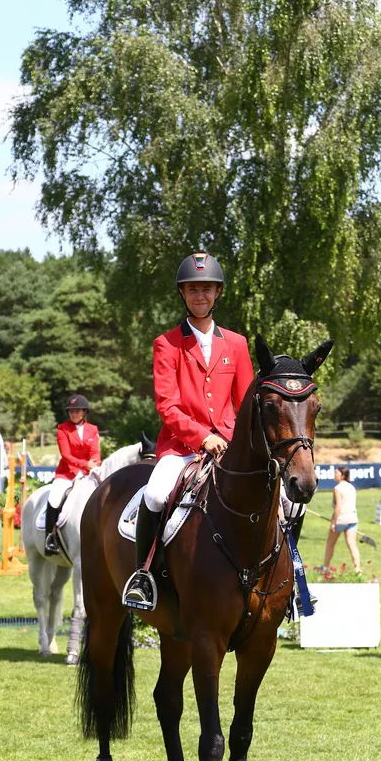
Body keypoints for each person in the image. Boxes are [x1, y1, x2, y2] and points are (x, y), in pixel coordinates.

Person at [122, 251, 253, 611]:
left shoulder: (238, 344)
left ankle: (285, 579)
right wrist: (202, 437)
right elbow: (168, 406)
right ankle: (144, 576)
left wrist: (228, 438)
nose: (200, 295)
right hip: (182, 448)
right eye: (193, 289)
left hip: (228, 447)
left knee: (283, 498)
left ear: (218, 293)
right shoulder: (167, 344)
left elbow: (245, 404)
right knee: (155, 495)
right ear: (183, 293)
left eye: (207, 289)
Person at [44, 394, 100, 555]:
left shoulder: (93, 429)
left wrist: (93, 464)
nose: (73, 414)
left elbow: (95, 452)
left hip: (88, 473)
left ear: (84, 412)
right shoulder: (62, 429)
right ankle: (50, 538)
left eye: (77, 411)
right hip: (67, 473)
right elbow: (66, 456)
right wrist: (84, 465)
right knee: (54, 498)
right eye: (71, 411)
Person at [323, 465, 361, 572]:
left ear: (343, 475)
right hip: (352, 518)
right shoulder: (352, 487)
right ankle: (357, 568)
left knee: (330, 543)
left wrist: (333, 522)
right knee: (352, 544)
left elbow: (338, 507)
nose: (334, 475)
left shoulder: (337, 488)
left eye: (336, 473)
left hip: (341, 519)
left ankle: (325, 566)